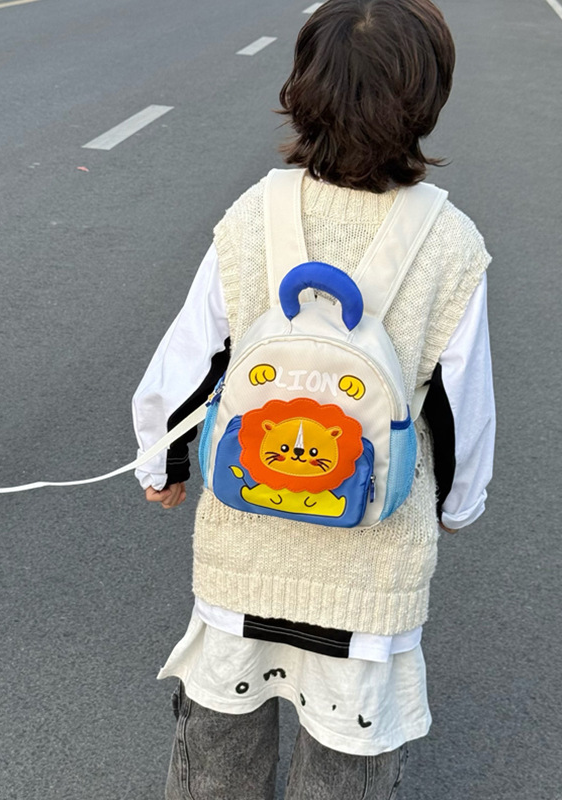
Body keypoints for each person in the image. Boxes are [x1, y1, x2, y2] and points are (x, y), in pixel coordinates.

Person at [132, 0, 495, 797]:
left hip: (244, 564)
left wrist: (162, 462)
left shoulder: (253, 216)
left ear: (301, 89)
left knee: (218, 761)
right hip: (370, 578)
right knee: (347, 764)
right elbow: (462, 411)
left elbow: (191, 361)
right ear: (428, 99)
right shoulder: (451, 243)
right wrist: (458, 507)